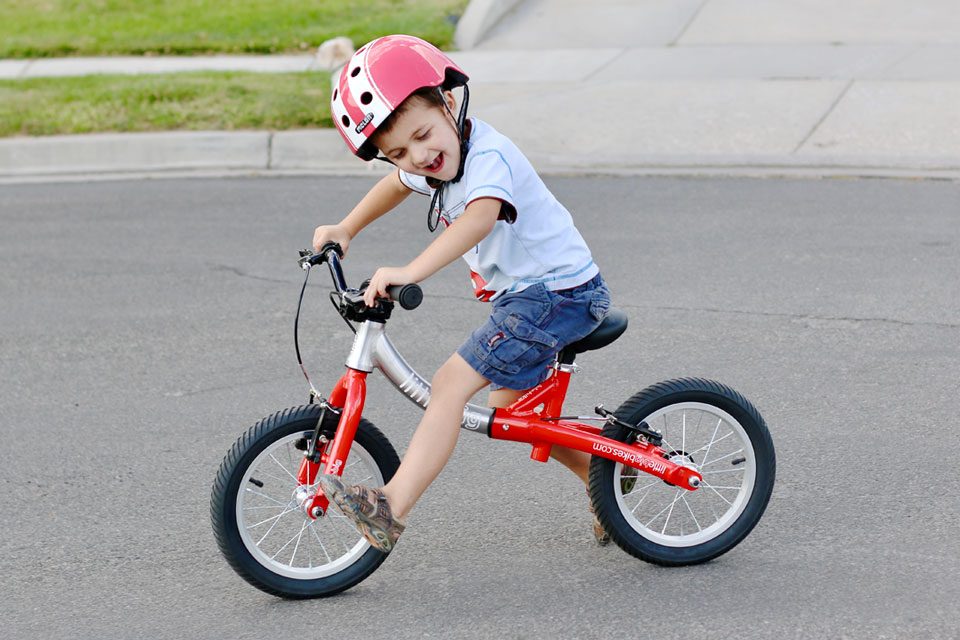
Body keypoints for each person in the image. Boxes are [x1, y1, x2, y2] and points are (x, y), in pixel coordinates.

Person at [313, 34, 614, 552]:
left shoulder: (488, 156)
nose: (418, 157)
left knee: (450, 383)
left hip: (557, 295)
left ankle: (392, 504)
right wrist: (346, 227)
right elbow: (395, 185)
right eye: (399, 152)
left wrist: (410, 271)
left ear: (449, 102)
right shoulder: (434, 158)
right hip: (530, 298)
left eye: (423, 135)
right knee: (514, 412)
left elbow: (478, 220)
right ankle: (605, 479)